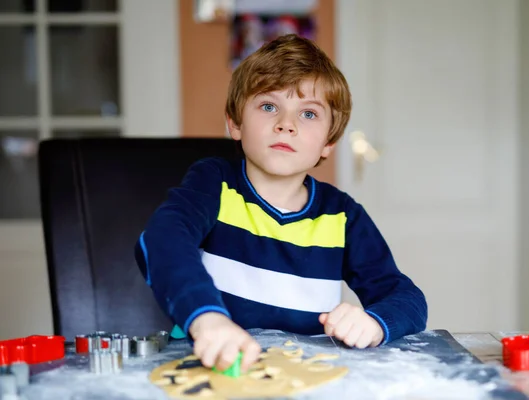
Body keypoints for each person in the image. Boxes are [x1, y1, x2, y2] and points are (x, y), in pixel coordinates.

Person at [134, 34, 427, 374]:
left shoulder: (342, 216)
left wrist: (375, 322)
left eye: (308, 113)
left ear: (328, 143)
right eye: (269, 106)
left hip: (301, 378)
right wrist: (206, 319)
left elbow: (407, 298)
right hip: (206, 369)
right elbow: (161, 242)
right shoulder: (214, 182)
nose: (286, 124)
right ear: (235, 123)